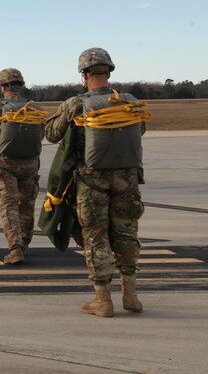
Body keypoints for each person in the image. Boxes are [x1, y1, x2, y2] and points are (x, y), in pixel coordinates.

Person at [45, 47, 149, 317]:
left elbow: (52, 134)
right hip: (127, 181)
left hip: (91, 182)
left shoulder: (76, 104)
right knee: (127, 234)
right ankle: (131, 296)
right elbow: (141, 130)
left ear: (84, 74)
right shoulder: (129, 100)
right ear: (109, 71)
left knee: (95, 237)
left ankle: (103, 300)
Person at [0, 68, 44, 264]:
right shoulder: (34, 108)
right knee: (27, 204)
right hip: (30, 164)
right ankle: (25, 242)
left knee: (9, 205)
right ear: (20, 85)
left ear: (2, 86)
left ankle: (15, 247)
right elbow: (42, 135)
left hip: (5, 164)